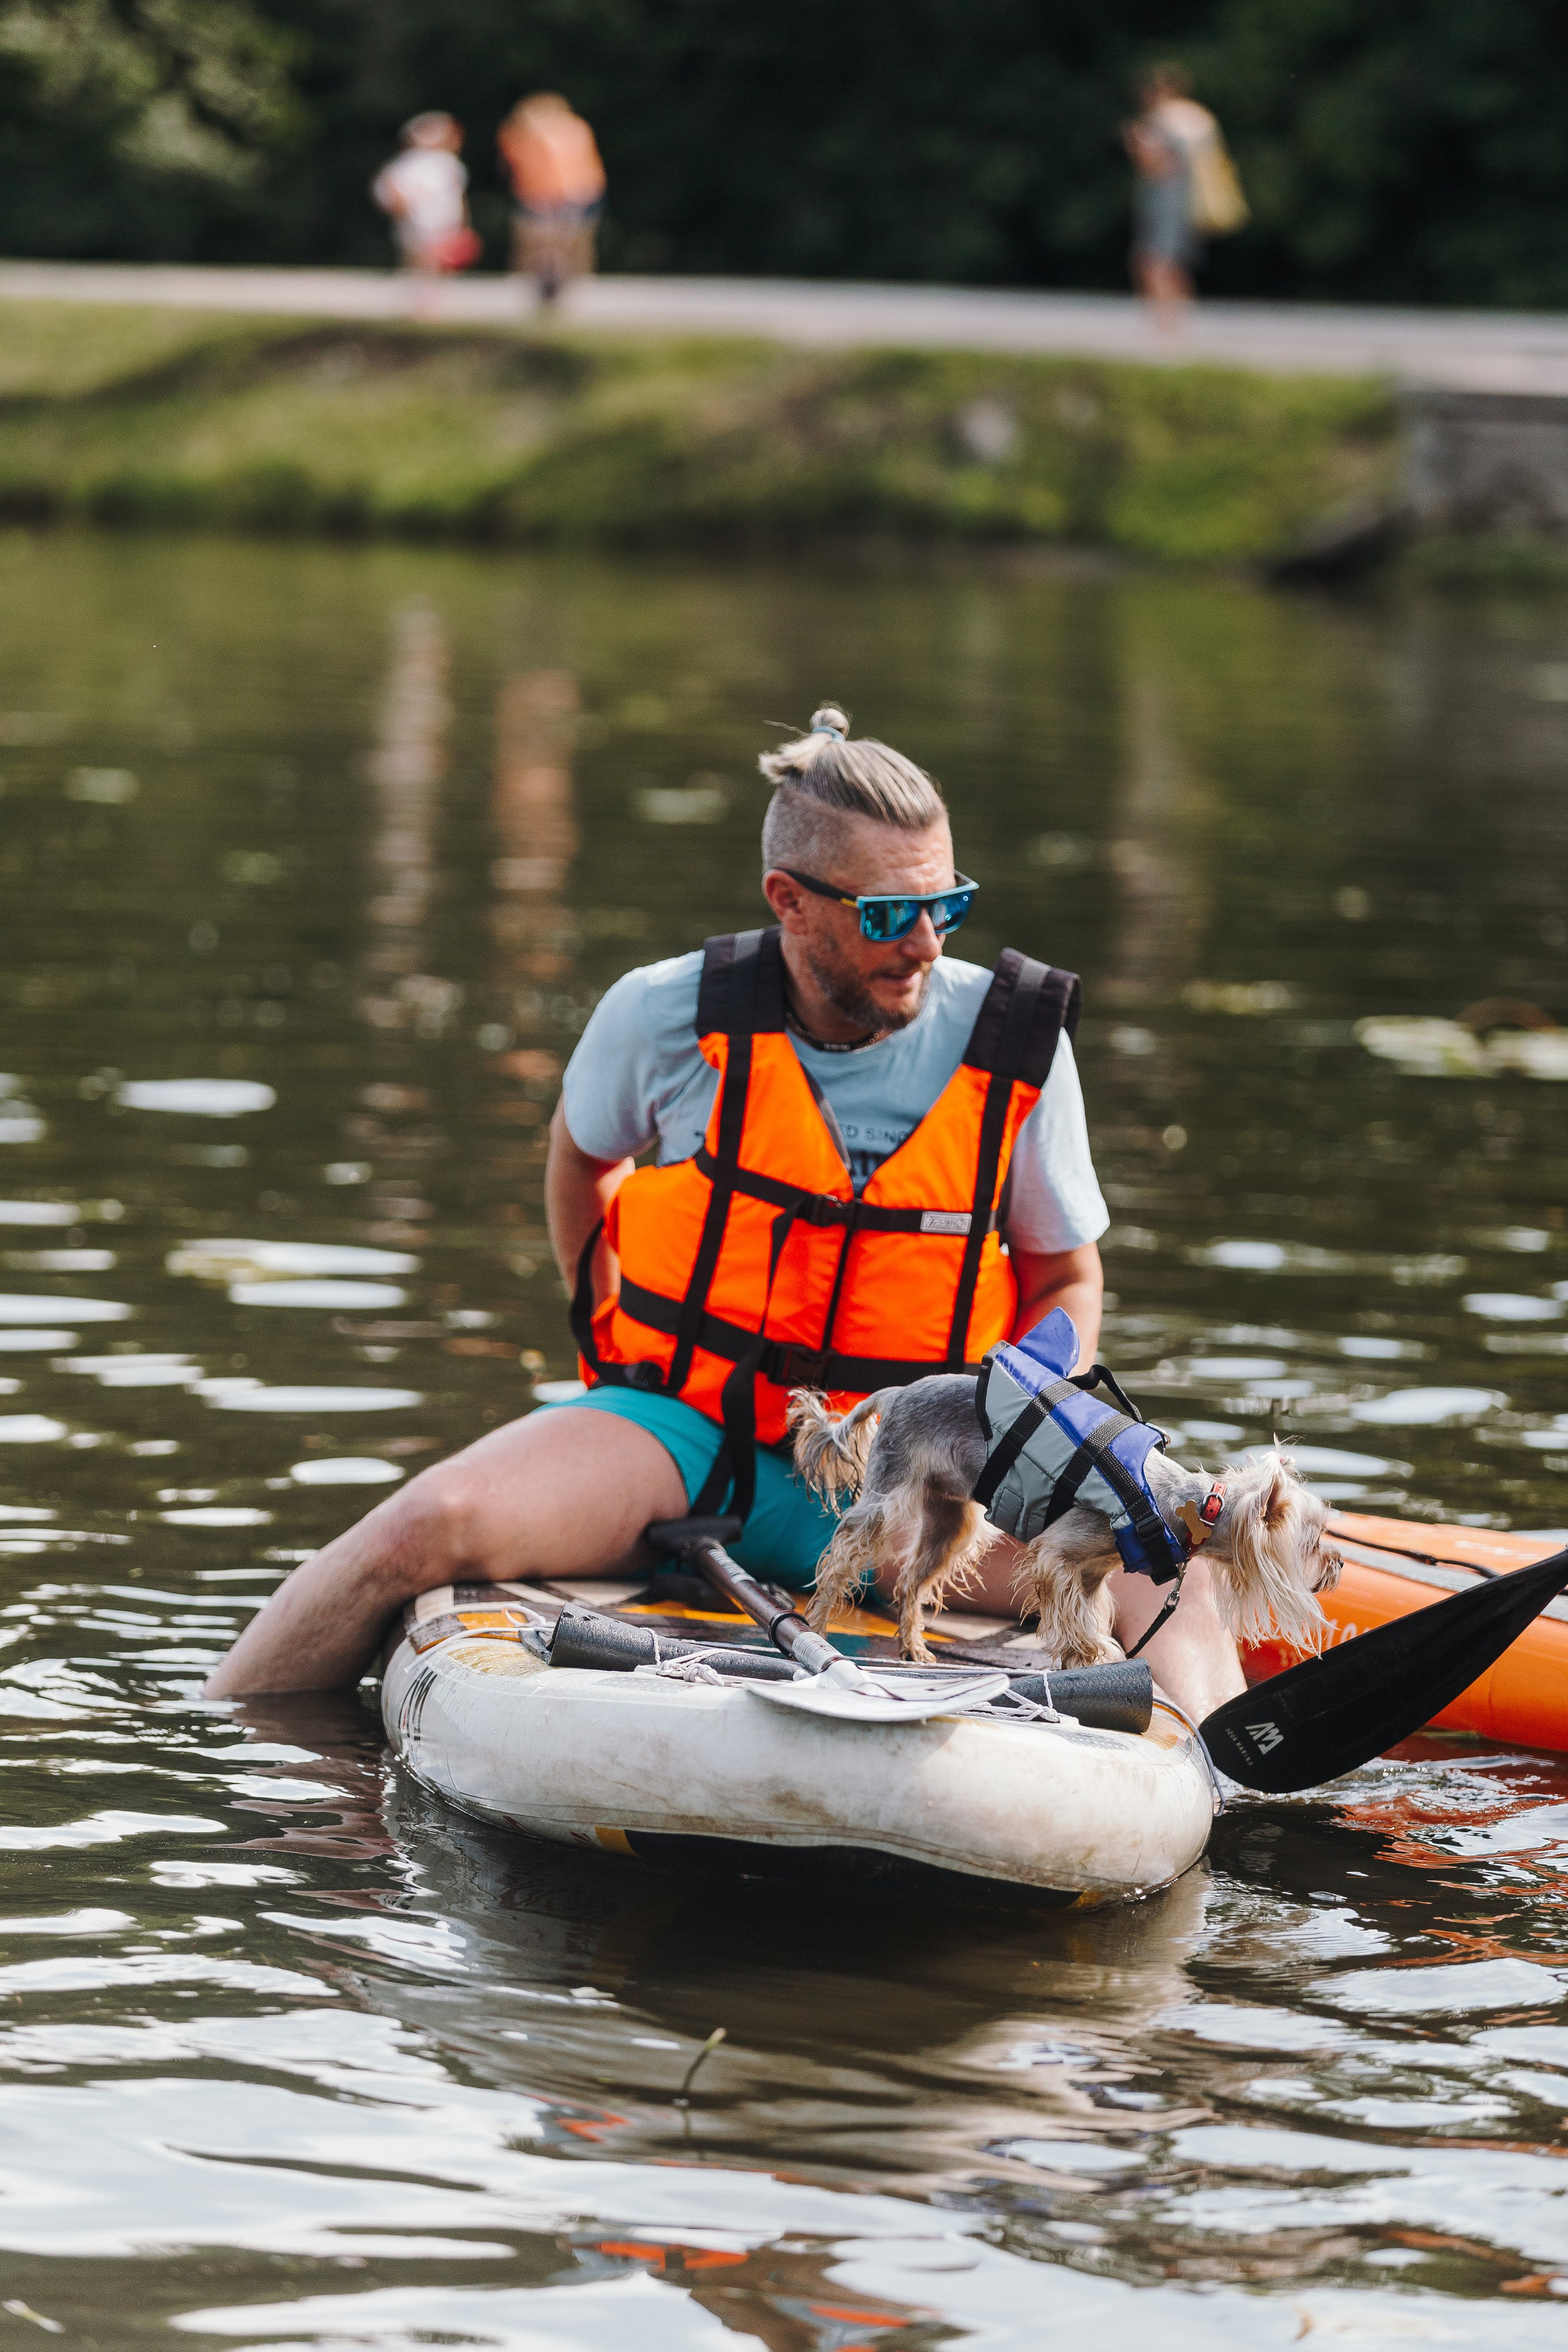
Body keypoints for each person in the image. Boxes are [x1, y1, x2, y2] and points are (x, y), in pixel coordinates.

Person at [205, 706, 1246, 1719]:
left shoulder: (1017, 1040)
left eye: (949, 906)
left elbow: (1065, 1273)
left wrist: (1034, 1439)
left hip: (920, 1475)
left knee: (1174, 1575)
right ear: (788, 902)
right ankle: (223, 1733)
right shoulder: (661, 1014)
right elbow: (581, 1165)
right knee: (419, 1526)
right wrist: (609, 1333)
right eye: (888, 914)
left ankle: (1222, 1791)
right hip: (693, 1439)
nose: (925, 943)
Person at [1124, 65, 1231, 331]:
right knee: (1177, 264)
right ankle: (1179, 323)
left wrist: (1134, 140)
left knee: (1154, 261)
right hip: (1190, 201)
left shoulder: (1163, 121)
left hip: (1165, 201)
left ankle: (1165, 326)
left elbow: (1155, 165)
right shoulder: (1196, 118)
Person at [496, 92, 606, 307]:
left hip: (546, 195)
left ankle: (553, 287)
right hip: (573, 193)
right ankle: (559, 288)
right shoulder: (577, 128)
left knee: (543, 244)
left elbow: (514, 164)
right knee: (565, 245)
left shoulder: (524, 132)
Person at [371, 112, 480, 286]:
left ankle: (426, 302)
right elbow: (389, 191)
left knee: (431, 267)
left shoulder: (444, 163)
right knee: (422, 265)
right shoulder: (413, 163)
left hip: (437, 226)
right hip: (422, 225)